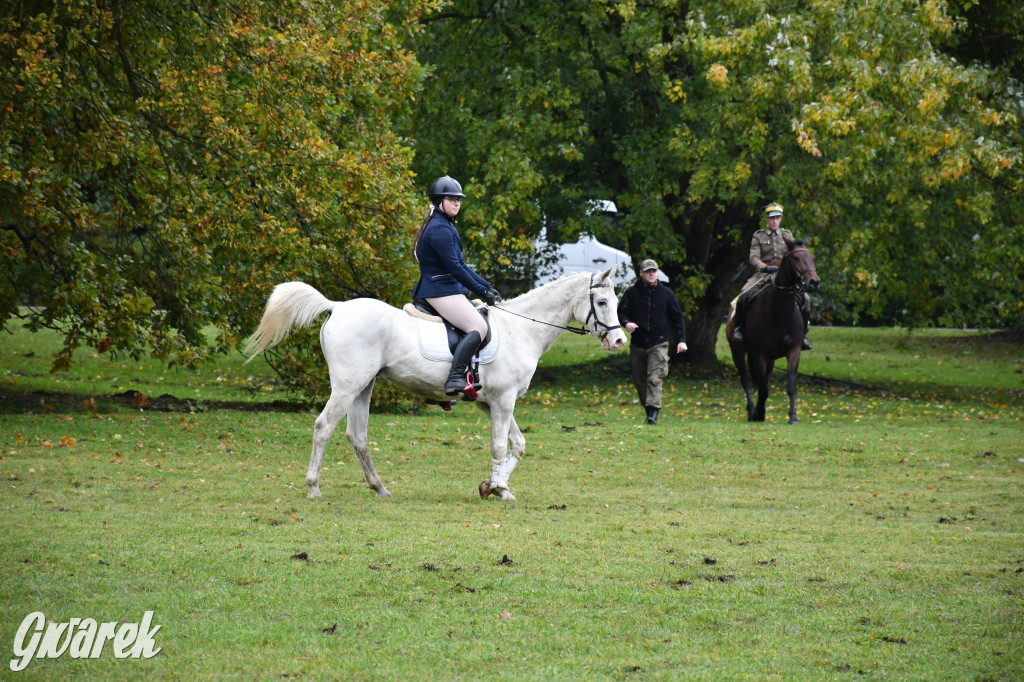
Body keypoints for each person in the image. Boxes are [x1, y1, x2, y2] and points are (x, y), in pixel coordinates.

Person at [412, 175, 503, 398]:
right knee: (479, 328)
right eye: (452, 199)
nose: (457, 203)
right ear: (439, 202)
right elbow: (455, 269)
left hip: (445, 288)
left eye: (459, 200)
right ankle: (455, 377)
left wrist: (487, 287)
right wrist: (482, 291)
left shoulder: (444, 225)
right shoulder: (440, 229)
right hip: (439, 290)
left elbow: (462, 265)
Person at [732, 202, 812, 350]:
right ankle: (739, 328)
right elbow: (754, 258)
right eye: (772, 218)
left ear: (781, 218)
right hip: (763, 274)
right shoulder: (758, 236)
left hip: (784, 275)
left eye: (777, 218)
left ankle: (803, 334)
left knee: (806, 299)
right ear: (767, 219)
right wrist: (765, 267)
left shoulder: (787, 234)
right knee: (744, 294)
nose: (775, 221)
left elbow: (792, 254)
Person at [617, 259, 688, 425]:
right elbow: (620, 312)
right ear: (641, 273)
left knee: (655, 377)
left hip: (659, 343)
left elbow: (677, 318)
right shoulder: (631, 293)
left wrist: (681, 340)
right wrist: (626, 323)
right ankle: (649, 410)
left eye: (654, 271)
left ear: (657, 272)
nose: (651, 274)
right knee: (639, 380)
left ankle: (653, 412)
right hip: (637, 344)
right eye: (648, 271)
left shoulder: (666, 293)